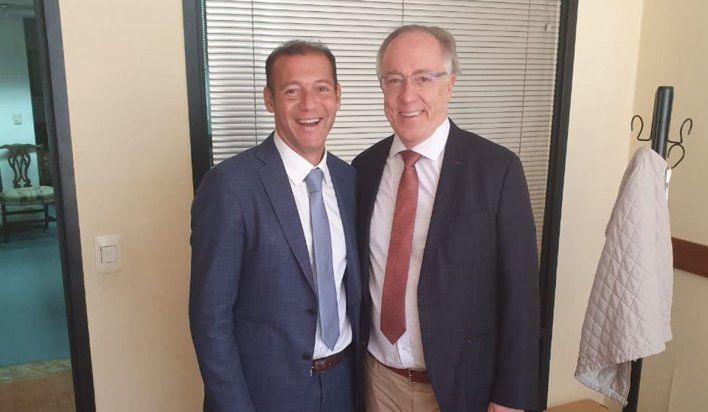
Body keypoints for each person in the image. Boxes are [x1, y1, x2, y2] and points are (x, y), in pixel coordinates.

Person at [352, 25, 540, 412]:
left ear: (450, 84)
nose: (407, 95)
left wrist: (511, 396)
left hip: (461, 387)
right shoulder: (363, 169)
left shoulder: (497, 170)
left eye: (424, 78)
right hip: (377, 381)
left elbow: (521, 293)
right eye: (394, 79)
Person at [189, 40, 361, 412]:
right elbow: (209, 318)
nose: (309, 105)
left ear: (338, 96)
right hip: (265, 393)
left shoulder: (350, 180)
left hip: (344, 386)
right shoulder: (229, 186)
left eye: (321, 89)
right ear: (269, 99)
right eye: (292, 91)